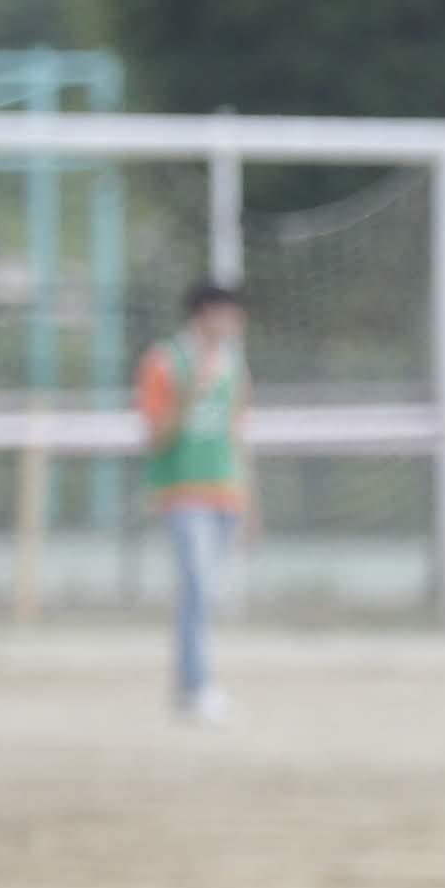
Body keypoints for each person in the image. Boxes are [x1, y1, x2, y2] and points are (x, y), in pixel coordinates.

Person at [134, 280, 249, 723]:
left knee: (206, 594)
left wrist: (249, 501)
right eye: (226, 313)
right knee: (197, 589)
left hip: (225, 493)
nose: (234, 323)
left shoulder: (234, 364)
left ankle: (192, 685)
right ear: (202, 314)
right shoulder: (165, 361)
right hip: (183, 494)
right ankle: (195, 686)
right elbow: (155, 436)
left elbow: (237, 434)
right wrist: (189, 394)